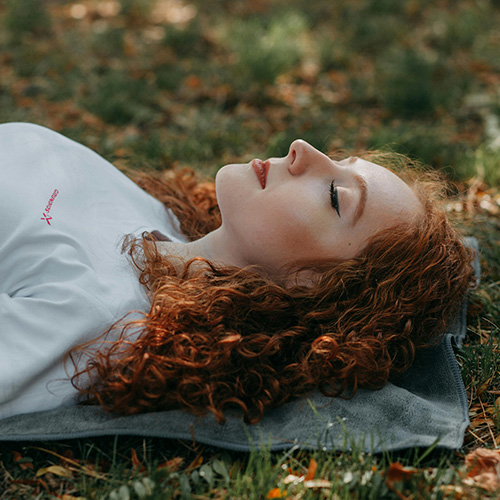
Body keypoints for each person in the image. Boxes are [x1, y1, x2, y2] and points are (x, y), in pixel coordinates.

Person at [0, 122, 474, 425]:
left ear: (313, 287)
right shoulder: (158, 219)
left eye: (334, 196)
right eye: (339, 160)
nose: (302, 148)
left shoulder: (90, 313)